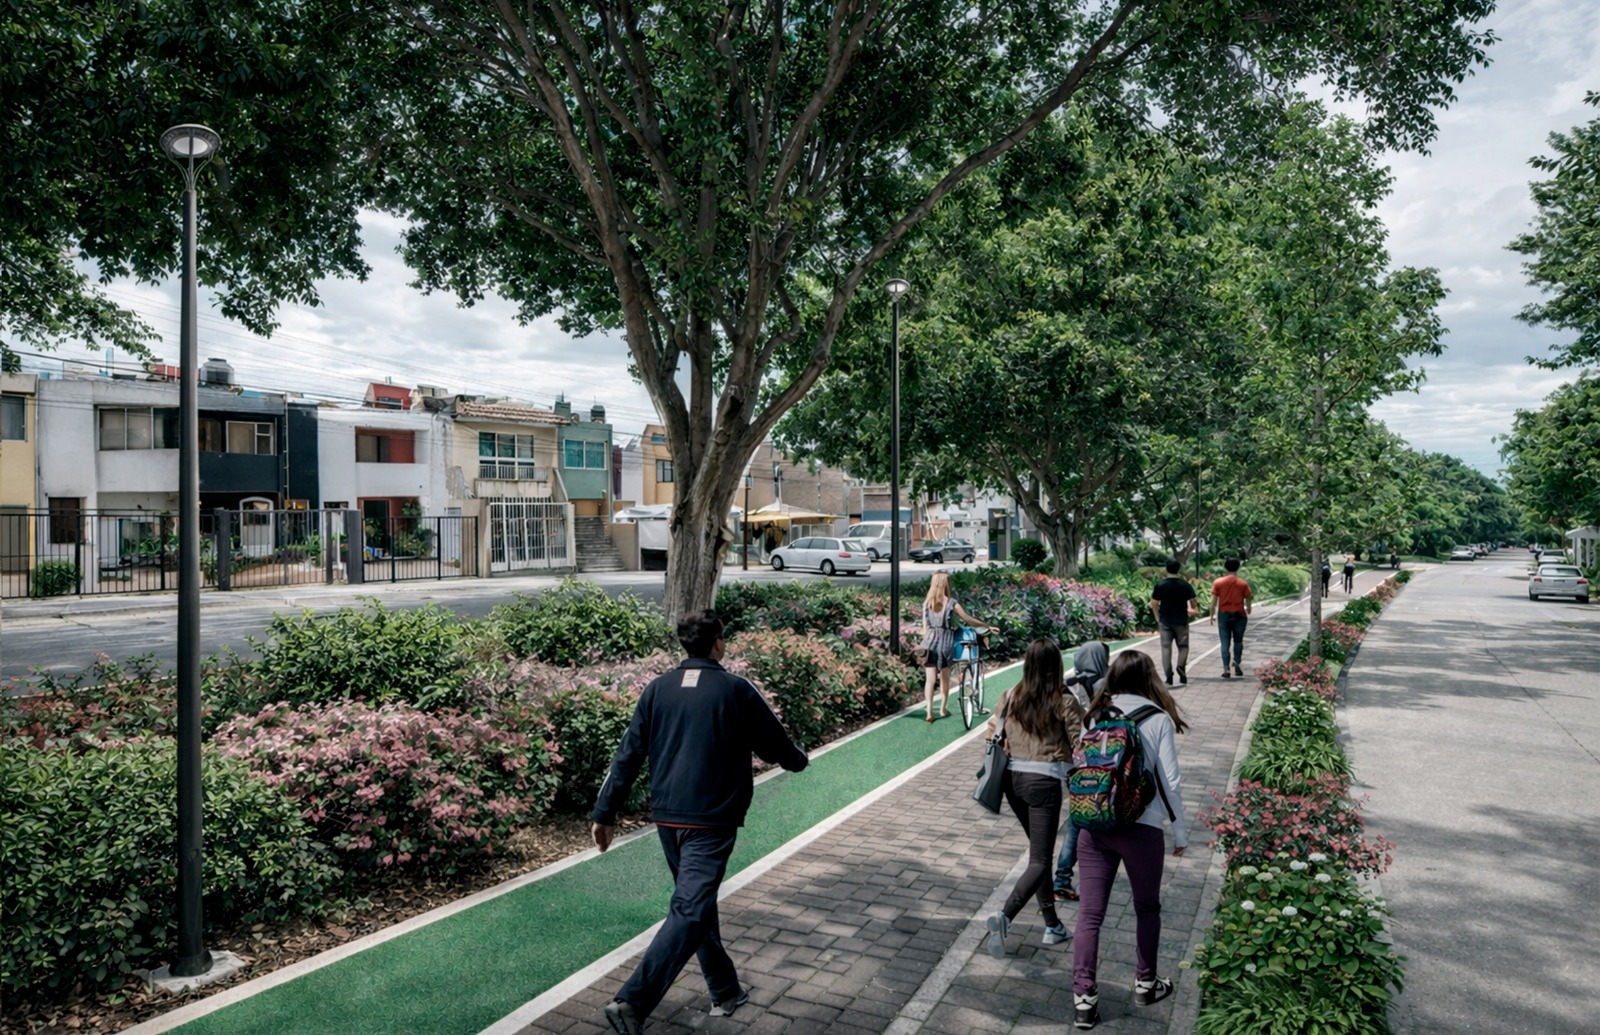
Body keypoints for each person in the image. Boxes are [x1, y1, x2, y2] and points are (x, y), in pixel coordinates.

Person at [592, 609, 810, 1035]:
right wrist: (799, 760)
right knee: (691, 908)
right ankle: (632, 1002)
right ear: (718, 643)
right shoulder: (736, 688)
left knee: (696, 905)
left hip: (668, 817)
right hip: (712, 818)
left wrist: (604, 812)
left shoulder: (657, 689)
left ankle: (725, 990)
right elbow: (776, 745)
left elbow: (628, 754)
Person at [1070, 651, 1189, 1030]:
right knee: (1147, 908)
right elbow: (1170, 781)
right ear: (1148, 677)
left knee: (1090, 916)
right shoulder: (1158, 718)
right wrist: (1180, 832)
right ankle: (1145, 984)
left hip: (1096, 826)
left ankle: (1084, 1000)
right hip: (1143, 827)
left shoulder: (1095, 716)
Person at [982, 640, 1081, 957]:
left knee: (1040, 856)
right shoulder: (1064, 700)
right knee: (1039, 860)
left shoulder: (1011, 695)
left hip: (1012, 782)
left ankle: (1053, 925)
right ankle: (1005, 916)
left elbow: (991, 733)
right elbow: (1081, 745)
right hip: (1044, 783)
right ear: (1056, 665)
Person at [1053, 640, 1104, 902]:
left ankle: (1063, 877)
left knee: (1077, 819)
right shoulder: (1106, 685)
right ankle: (1069, 877)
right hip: (1095, 761)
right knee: (1086, 821)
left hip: (1068, 764)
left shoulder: (1069, 682)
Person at [919, 570, 993, 722]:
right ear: (945, 584)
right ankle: (943, 709)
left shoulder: (926, 604)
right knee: (944, 678)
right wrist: (986, 625)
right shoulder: (951, 603)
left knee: (930, 680)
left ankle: (929, 712)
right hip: (945, 642)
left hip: (929, 643)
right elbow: (968, 619)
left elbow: (925, 629)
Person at [1149, 559, 1198, 686]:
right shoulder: (1185, 585)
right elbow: (1193, 600)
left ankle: (1168, 677)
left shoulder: (1160, 585)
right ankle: (1181, 666)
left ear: (1166, 568)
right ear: (1178, 569)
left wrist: (1157, 617)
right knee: (1183, 646)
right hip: (1181, 621)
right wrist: (1193, 608)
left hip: (1165, 621)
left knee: (1166, 648)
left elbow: (1154, 603)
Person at [1208, 557, 1253, 679]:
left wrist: (1211, 615)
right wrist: (1249, 608)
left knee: (1225, 642)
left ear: (1225, 567)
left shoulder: (1218, 582)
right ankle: (1236, 662)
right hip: (1239, 615)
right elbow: (1248, 597)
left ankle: (1226, 669)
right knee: (1238, 641)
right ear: (1238, 568)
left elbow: (1213, 602)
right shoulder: (1242, 583)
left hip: (1224, 615)